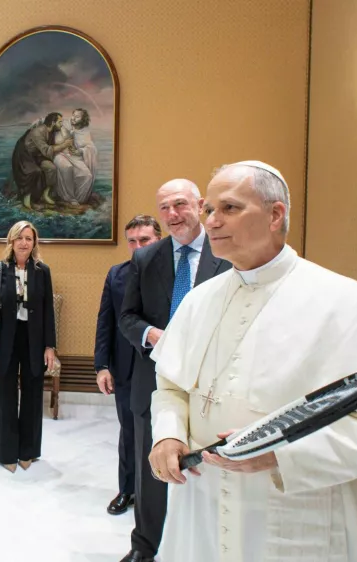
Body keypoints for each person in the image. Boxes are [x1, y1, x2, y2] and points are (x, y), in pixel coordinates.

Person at [147, 161, 357, 562]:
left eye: (230, 208)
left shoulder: (346, 303)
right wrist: (168, 434)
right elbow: (171, 386)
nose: (213, 221)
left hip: (300, 511)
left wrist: (280, 457)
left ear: (275, 214)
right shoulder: (199, 300)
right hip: (201, 500)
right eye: (210, 209)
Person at [117, 179, 232, 562]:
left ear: (200, 205)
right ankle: (144, 548)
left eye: (180, 204)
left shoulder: (228, 255)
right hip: (154, 382)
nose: (172, 215)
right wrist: (153, 335)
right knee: (152, 474)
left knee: (205, 472)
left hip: (212, 385)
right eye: (164, 207)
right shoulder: (146, 259)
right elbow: (127, 317)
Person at [94, 214, 161, 515]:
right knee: (129, 431)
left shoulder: (172, 275)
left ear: (158, 239)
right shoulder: (116, 274)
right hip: (124, 368)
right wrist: (102, 366)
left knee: (161, 431)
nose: (137, 247)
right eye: (132, 241)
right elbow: (105, 322)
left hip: (162, 369)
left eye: (144, 240)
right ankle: (128, 490)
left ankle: (160, 493)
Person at [0, 220, 57, 472]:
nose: (24, 243)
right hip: (5, 339)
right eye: (20, 238)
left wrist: (50, 346)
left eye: (29, 238)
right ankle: (6, 453)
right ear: (11, 241)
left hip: (33, 339)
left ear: (34, 242)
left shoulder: (42, 270)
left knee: (33, 395)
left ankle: (29, 451)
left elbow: (47, 312)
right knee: (5, 395)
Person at [8, 112, 73, 208]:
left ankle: (45, 194)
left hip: (37, 154)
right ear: (52, 122)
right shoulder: (37, 132)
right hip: (25, 155)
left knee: (52, 168)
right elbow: (47, 150)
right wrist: (64, 145)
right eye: (60, 122)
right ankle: (27, 199)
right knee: (35, 171)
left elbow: (48, 149)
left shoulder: (52, 131)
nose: (61, 124)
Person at [53, 108, 97, 205]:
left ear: (83, 119)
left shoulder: (85, 132)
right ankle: (69, 197)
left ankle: (80, 199)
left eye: (77, 117)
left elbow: (90, 147)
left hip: (75, 157)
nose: (73, 118)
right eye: (73, 115)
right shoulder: (64, 124)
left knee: (87, 176)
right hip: (59, 154)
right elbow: (49, 121)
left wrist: (80, 151)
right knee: (67, 167)